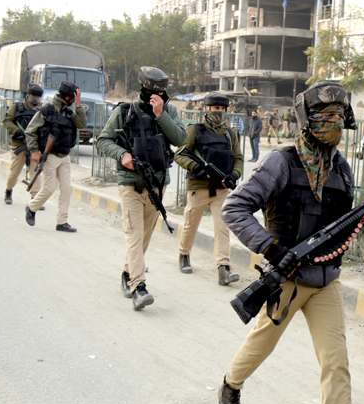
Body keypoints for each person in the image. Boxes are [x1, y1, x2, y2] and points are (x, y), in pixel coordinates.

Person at [218, 81, 364, 404]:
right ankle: (230, 388)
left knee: (336, 361)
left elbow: (340, 227)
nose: (332, 123)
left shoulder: (341, 169)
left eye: (337, 117)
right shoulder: (282, 162)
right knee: (260, 344)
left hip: (325, 281)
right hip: (288, 277)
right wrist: (270, 248)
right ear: (306, 122)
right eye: (323, 117)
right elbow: (235, 208)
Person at [96, 67, 186, 310]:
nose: (156, 96)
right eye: (151, 92)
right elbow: (102, 140)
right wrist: (122, 154)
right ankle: (139, 286)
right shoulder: (125, 111)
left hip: (157, 186)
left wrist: (160, 115)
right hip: (130, 183)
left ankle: (127, 273)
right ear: (143, 90)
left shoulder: (169, 111)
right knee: (134, 235)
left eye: (161, 92)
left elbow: (180, 139)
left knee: (144, 237)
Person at [174, 92, 243, 285]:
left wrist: (234, 175)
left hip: (221, 189)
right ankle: (184, 254)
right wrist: (196, 167)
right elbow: (180, 154)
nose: (218, 112)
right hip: (199, 187)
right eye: (215, 108)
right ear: (208, 109)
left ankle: (223, 268)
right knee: (190, 224)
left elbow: (238, 158)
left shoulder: (230, 134)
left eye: (222, 109)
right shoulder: (194, 130)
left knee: (223, 228)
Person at [24, 81, 87, 232]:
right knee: (49, 188)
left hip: (64, 155)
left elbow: (81, 124)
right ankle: (31, 208)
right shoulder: (47, 109)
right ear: (68, 97)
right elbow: (30, 130)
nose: (74, 100)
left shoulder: (68, 111)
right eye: (74, 98)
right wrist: (34, 151)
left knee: (66, 190)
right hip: (50, 155)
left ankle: (62, 222)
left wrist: (78, 106)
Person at [2, 84, 43, 204]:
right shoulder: (17, 107)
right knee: (14, 172)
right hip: (19, 144)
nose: (35, 98)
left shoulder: (42, 110)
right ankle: (8, 190)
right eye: (33, 95)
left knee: (35, 172)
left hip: (35, 146)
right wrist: (18, 131)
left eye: (37, 96)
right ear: (28, 95)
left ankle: (34, 198)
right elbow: (6, 121)